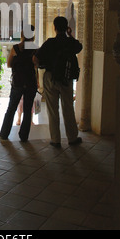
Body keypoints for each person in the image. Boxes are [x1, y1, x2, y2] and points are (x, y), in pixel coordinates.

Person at [33, 16, 82, 148]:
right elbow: (79, 47)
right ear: (66, 28)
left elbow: (35, 59)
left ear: (54, 28)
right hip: (66, 78)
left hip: (50, 77)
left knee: (52, 110)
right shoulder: (70, 42)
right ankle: (72, 137)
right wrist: (70, 35)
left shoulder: (50, 42)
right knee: (68, 108)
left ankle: (55, 139)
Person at [0, 27, 38, 142]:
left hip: (18, 82)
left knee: (11, 108)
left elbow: (9, 64)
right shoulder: (34, 48)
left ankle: (4, 134)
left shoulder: (16, 48)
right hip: (30, 81)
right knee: (27, 109)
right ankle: (24, 136)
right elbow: (37, 65)